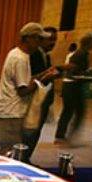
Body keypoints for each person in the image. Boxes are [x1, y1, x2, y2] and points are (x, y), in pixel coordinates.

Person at [0, 23, 58, 155]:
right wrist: (44, 79)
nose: (41, 43)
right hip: (12, 112)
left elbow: (24, 79)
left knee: (9, 150)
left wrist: (44, 73)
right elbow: (23, 91)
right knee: (8, 151)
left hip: (10, 111)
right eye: (39, 39)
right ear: (28, 38)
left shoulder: (17, 54)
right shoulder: (20, 59)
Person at [54, 32, 92, 144]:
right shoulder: (80, 53)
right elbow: (72, 69)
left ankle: (63, 135)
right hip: (72, 86)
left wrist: (87, 72)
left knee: (71, 111)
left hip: (73, 85)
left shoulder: (83, 53)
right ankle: (65, 136)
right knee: (76, 111)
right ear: (89, 42)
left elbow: (76, 69)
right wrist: (57, 68)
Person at [22, 26, 59, 162]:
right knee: (29, 133)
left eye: (55, 40)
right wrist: (48, 75)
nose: (52, 43)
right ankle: (23, 159)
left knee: (36, 132)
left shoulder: (46, 56)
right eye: (50, 39)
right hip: (34, 101)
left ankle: (27, 158)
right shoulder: (34, 54)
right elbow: (30, 79)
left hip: (44, 100)